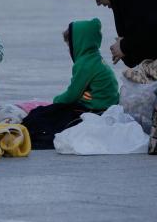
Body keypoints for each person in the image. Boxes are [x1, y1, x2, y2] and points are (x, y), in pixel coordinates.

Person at [21, 18, 120, 149]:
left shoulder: (85, 64)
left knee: (43, 116)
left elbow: (72, 95)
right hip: (103, 105)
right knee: (47, 113)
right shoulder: (94, 59)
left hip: (96, 109)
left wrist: (56, 101)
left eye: (70, 45)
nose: (69, 50)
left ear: (80, 43)